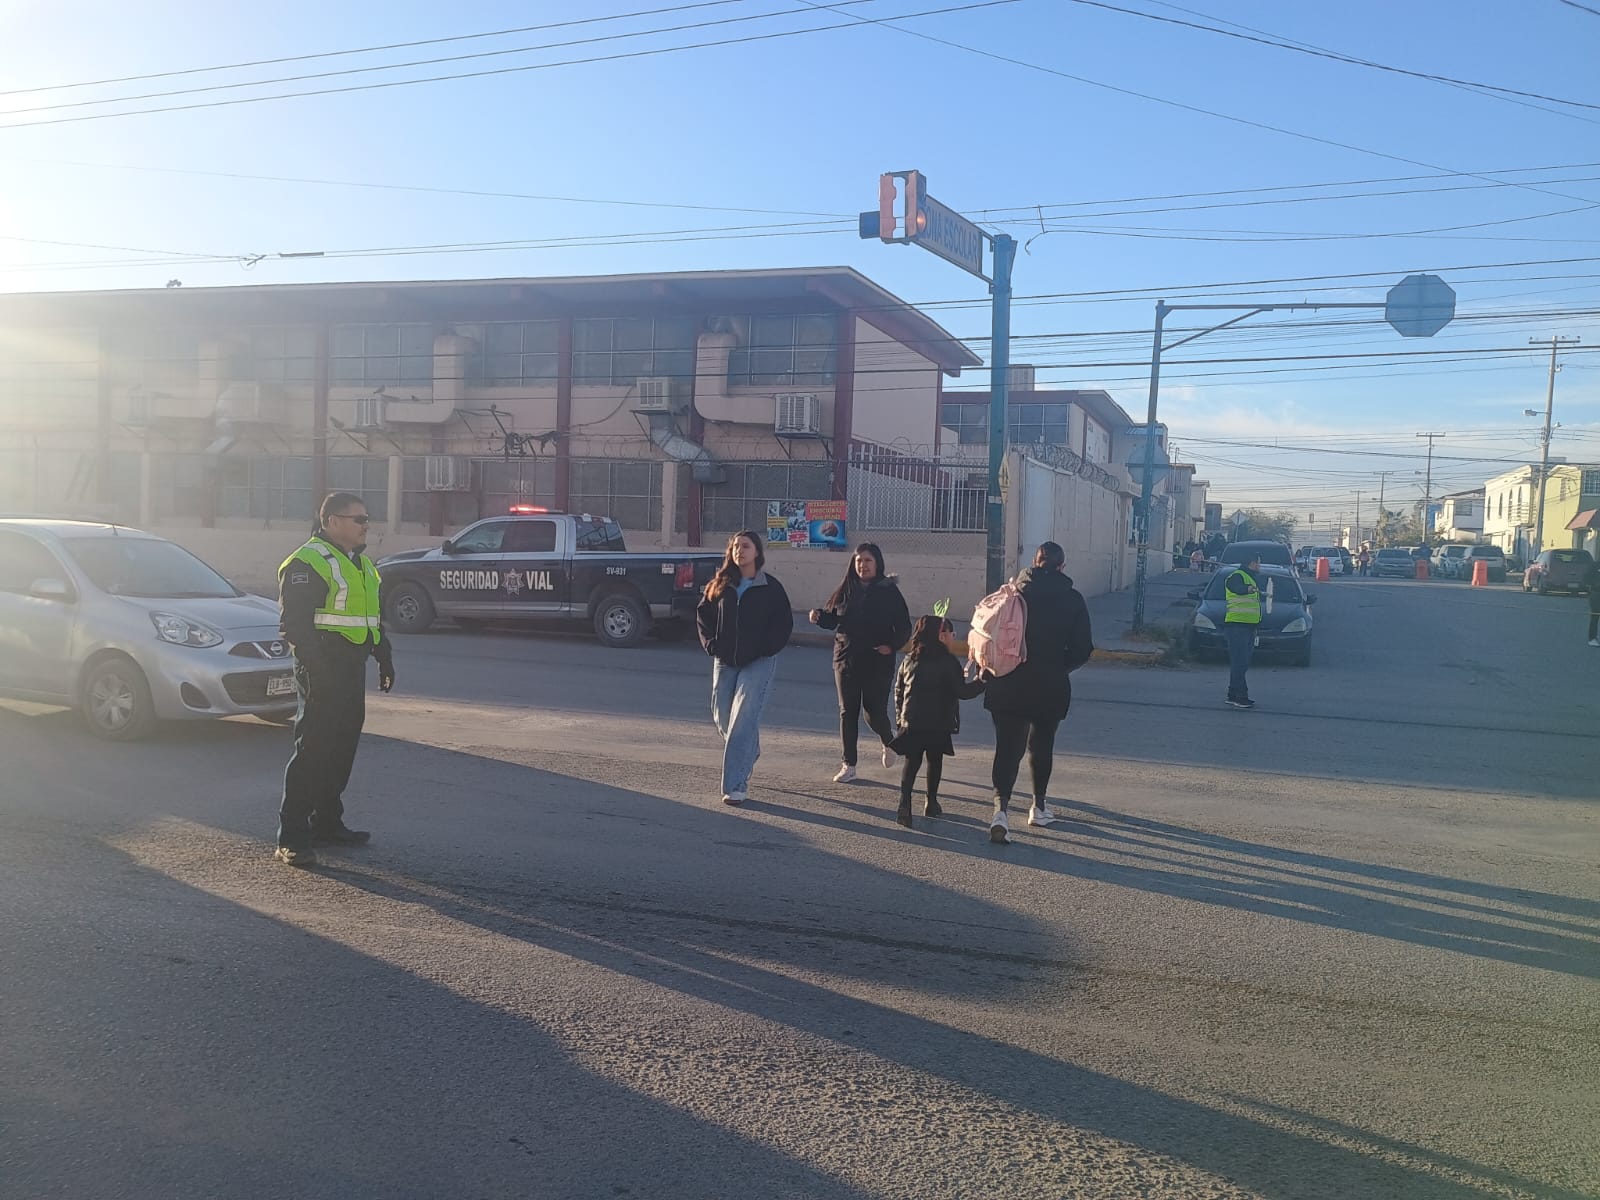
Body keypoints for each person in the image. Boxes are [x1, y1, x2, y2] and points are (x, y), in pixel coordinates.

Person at [275, 492, 395, 867]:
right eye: (358, 519)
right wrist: (318, 673)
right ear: (332, 522)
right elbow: (295, 627)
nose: (365, 525)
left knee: (341, 749)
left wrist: (383, 656)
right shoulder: (307, 562)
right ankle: (292, 838)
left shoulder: (360, 563)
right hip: (321, 669)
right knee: (312, 751)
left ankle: (327, 823)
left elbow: (369, 617)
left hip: (350, 667)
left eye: (366, 518)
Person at [982, 542, 1094, 844]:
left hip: (1006, 682)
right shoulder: (1072, 600)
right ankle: (1038, 807)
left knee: (1007, 749)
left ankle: (1000, 812)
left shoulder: (1013, 593)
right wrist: (1060, 667)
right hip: (1050, 686)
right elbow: (1084, 648)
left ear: (1034, 562)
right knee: (1041, 746)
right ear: (1062, 566)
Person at [696, 531, 794, 806]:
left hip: (758, 661)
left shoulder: (770, 587)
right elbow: (703, 615)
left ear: (757, 552)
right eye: (736, 546)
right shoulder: (720, 585)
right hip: (725, 660)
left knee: (742, 720)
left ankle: (735, 786)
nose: (740, 550)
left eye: (746, 546)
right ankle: (749, 749)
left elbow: (783, 623)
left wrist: (767, 648)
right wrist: (711, 645)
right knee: (722, 716)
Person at [808, 543, 911, 783]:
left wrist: (892, 646)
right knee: (847, 712)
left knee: (873, 713)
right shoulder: (846, 589)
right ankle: (849, 764)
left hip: (878, 661)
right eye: (859, 561)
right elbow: (833, 619)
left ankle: (889, 740)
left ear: (877, 564)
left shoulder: (889, 592)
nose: (863, 565)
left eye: (868, 561)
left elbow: (905, 626)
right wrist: (819, 617)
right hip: (846, 659)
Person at [889, 615, 985, 829]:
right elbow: (962, 691)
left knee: (912, 763)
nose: (953, 637)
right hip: (938, 723)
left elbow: (899, 691)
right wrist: (981, 682)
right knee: (934, 761)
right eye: (951, 633)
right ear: (940, 636)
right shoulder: (948, 662)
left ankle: (904, 803)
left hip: (912, 722)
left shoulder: (910, 658)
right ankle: (931, 802)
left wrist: (900, 720)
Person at [1223, 550, 1264, 710]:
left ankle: (1232, 694)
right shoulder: (1237, 576)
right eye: (1258, 562)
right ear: (1251, 563)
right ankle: (1241, 696)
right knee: (1240, 662)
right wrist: (1248, 589)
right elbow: (1235, 587)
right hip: (1237, 626)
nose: (1260, 566)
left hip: (1248, 626)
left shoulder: (1251, 577)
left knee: (1241, 663)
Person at [1586, 556, 1600, 647]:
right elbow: (1587, 578)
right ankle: (1592, 638)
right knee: (1595, 616)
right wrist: (1594, 585)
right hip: (1597, 593)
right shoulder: (1596, 566)